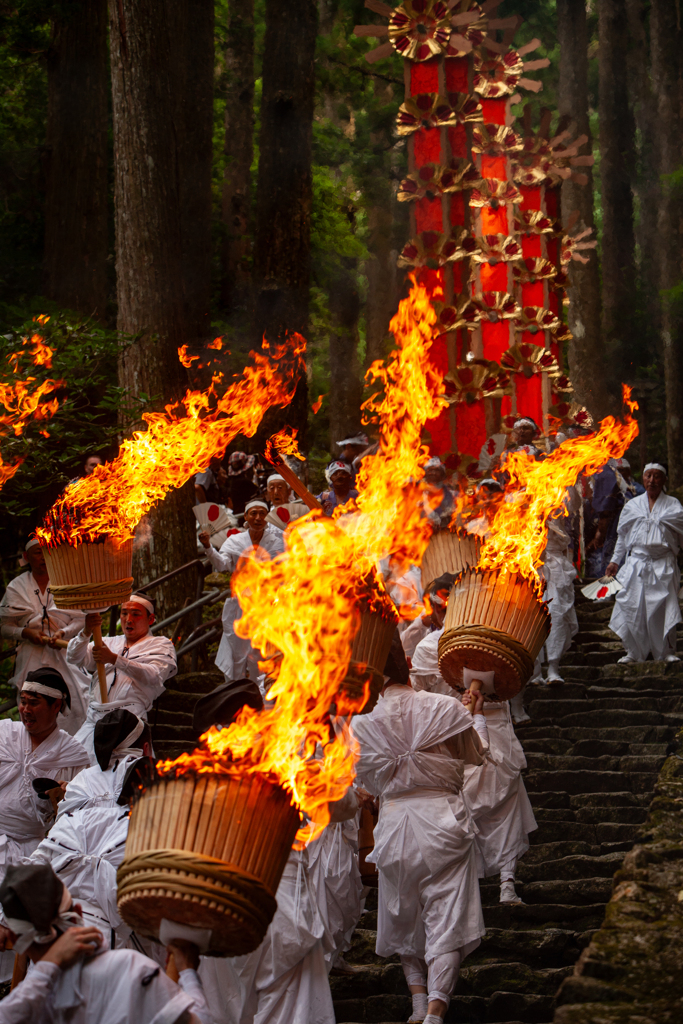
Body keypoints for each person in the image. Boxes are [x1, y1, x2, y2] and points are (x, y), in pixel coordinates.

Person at [350, 640, 487, 1024]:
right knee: (447, 916)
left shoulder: (362, 725)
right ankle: (434, 1013)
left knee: (402, 914)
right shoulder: (444, 707)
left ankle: (416, 1002)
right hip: (443, 822)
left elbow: (366, 785)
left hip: (394, 826)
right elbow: (477, 755)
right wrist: (476, 715)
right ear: (408, 665)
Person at [409, 638, 537, 905]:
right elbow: (418, 692)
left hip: (495, 726)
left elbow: (520, 676)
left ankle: (507, 882)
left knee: (508, 800)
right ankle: (468, 885)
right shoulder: (433, 644)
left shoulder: (498, 638)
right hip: (455, 728)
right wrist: (457, 700)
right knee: (464, 806)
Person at [0, 863, 210, 1024]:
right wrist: (189, 973)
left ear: (16, 940)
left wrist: (48, 966)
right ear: (79, 913)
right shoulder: (130, 968)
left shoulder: (27, 1001)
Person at [28, 710, 155, 948]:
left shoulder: (82, 782)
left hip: (67, 902)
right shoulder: (162, 781)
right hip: (129, 900)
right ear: (146, 748)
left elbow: (58, 836)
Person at [0, 670, 89, 980]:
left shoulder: (74, 754)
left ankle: (17, 986)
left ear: (56, 706)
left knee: (20, 924)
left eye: (34, 703)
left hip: (34, 847)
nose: (25, 709)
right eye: (22, 702)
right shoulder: (3, 734)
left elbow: (78, 813)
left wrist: (61, 796)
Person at [66, 594, 177, 763]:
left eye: (136, 614)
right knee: (74, 766)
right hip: (95, 718)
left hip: (129, 720)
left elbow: (154, 676)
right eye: (124, 613)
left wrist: (114, 659)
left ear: (151, 619)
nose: (128, 619)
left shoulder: (161, 645)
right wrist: (86, 631)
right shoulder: (108, 641)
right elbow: (73, 657)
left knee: (124, 773)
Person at [0, 539, 90, 734]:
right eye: (38, 552)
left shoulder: (65, 581)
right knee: (32, 705)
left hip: (64, 653)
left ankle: (73, 752)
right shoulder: (16, 586)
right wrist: (25, 633)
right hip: (31, 656)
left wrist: (63, 633)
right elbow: (4, 626)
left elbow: (81, 619)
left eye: (47, 552)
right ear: (26, 557)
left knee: (75, 703)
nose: (43, 557)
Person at [199, 500, 285, 683]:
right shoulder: (235, 541)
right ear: (245, 517)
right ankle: (233, 694)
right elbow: (222, 564)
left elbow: (284, 572)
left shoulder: (276, 542)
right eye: (253, 513)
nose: (258, 517)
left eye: (262, 513)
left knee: (259, 654)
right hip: (238, 606)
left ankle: (259, 697)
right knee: (237, 653)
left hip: (265, 607)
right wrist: (208, 547)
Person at [605, 463, 683, 664]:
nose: (652, 480)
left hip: (663, 564)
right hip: (636, 564)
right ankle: (633, 651)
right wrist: (615, 561)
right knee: (631, 605)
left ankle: (666, 651)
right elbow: (622, 536)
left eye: (657, 476)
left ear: (664, 479)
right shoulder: (632, 506)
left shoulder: (674, 505)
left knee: (664, 607)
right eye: (648, 476)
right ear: (644, 478)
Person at [540, 516, 579, 685]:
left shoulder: (557, 499)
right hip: (529, 564)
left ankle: (553, 667)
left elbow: (573, 501)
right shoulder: (519, 502)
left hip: (556, 568)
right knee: (531, 618)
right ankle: (533, 672)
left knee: (556, 613)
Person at [421, 457, 455, 527]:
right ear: (425, 473)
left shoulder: (452, 495)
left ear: (442, 474)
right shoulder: (416, 494)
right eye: (430, 470)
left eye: (437, 470)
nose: (433, 472)